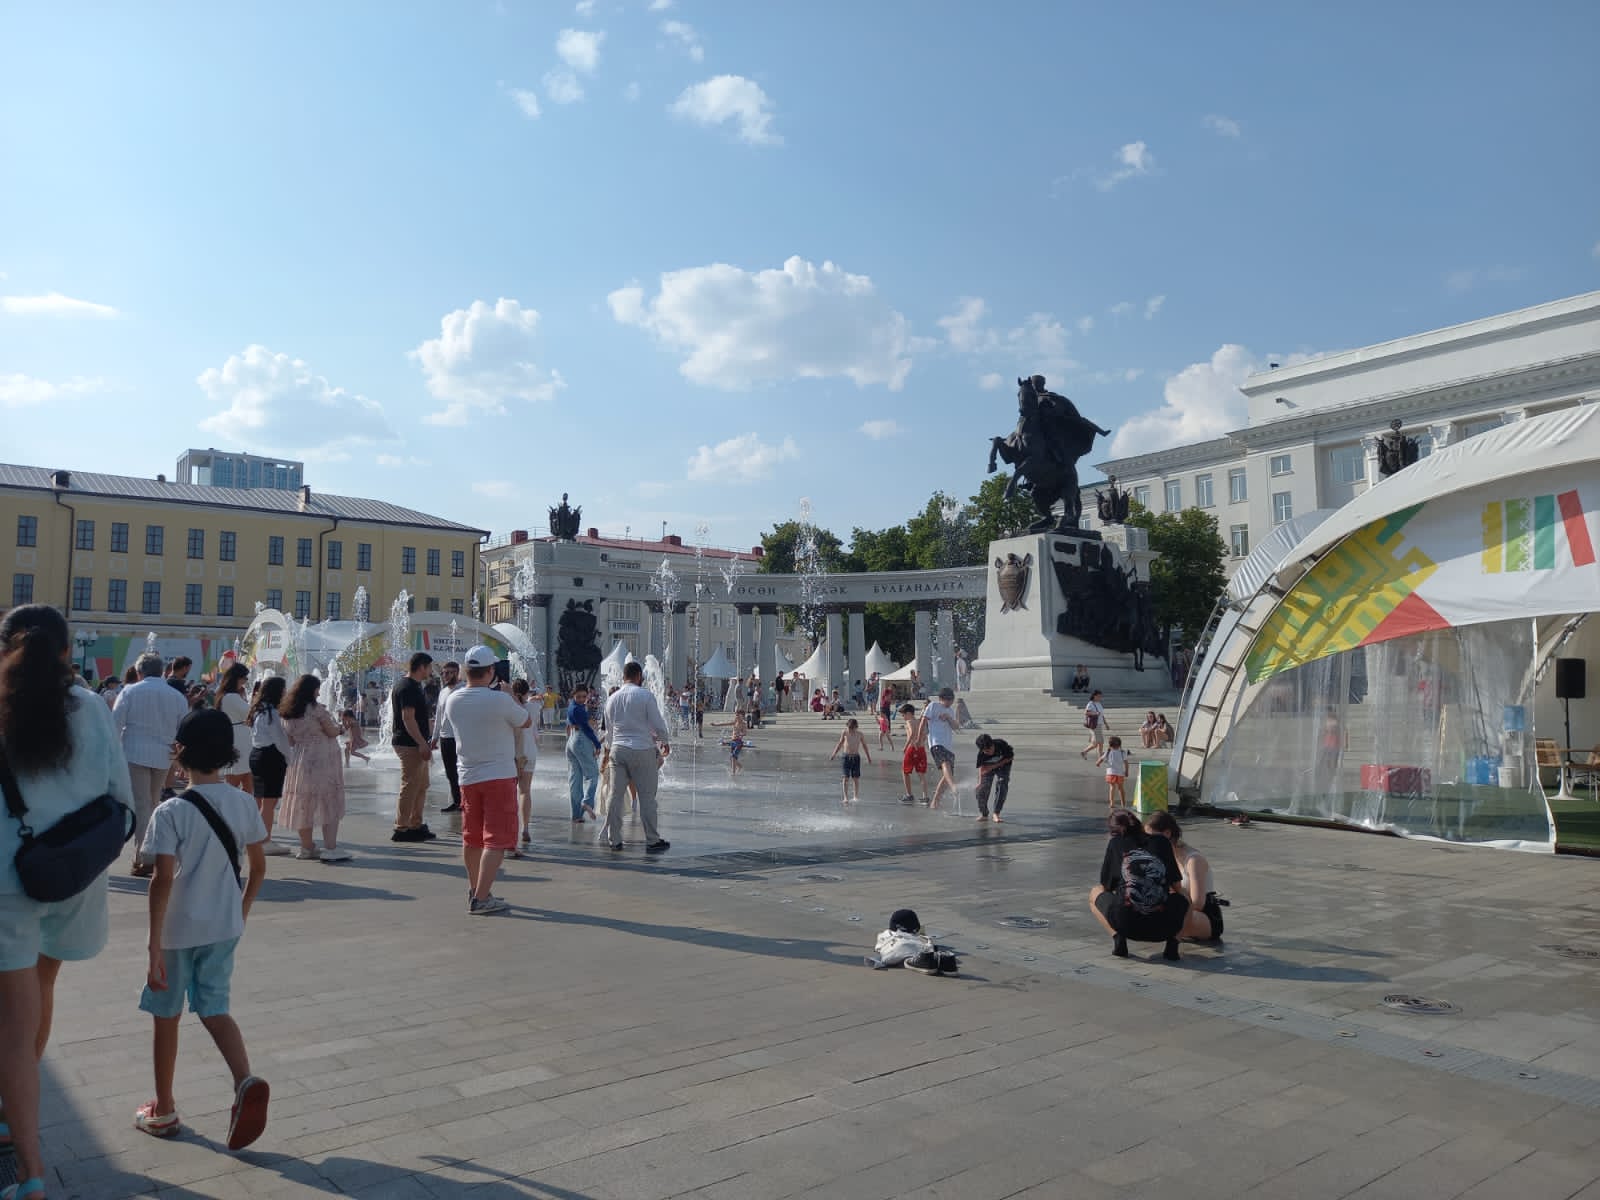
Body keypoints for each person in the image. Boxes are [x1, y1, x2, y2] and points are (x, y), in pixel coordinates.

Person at [0, 606, 134, 1199]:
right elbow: (119, 796)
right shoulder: (91, 708)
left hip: (7, 882)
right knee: (41, 991)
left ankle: (29, 1170)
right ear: (65, 651)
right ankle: (13, 1110)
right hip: (72, 875)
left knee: (11, 1025)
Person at [134, 708, 270, 1150]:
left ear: (180, 751)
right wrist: (241, 911)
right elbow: (258, 867)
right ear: (227, 753)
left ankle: (164, 1108)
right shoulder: (243, 802)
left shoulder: (171, 810)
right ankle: (244, 1080)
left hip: (176, 932)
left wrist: (153, 944)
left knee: (166, 1015)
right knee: (215, 1008)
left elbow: (162, 880)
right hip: (223, 927)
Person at [445, 647, 534, 914]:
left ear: (466, 671)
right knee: (496, 838)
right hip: (498, 776)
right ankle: (482, 899)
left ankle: (476, 889)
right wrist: (510, 695)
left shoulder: (453, 699)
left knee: (472, 838)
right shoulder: (500, 700)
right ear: (491, 671)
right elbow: (526, 721)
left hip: (468, 776)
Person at [113, 652, 190, 878]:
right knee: (153, 802)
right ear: (163, 672)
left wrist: (113, 754)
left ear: (139, 672)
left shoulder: (129, 691)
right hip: (164, 755)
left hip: (134, 752)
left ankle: (144, 856)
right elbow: (183, 727)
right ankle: (153, 852)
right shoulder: (176, 695)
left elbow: (115, 724)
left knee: (141, 805)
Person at [1089, 808, 1189, 960]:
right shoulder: (1162, 842)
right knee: (1185, 896)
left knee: (1095, 892)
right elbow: (1177, 887)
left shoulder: (1115, 843)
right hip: (1163, 926)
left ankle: (1118, 938)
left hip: (1125, 924)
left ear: (1113, 832)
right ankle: (1173, 945)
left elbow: (1106, 887)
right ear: (1138, 823)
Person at [601, 660, 672, 854]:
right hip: (642, 750)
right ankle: (652, 840)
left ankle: (614, 839)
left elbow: (609, 731)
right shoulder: (645, 696)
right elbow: (658, 723)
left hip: (618, 749)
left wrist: (609, 750)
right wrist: (664, 741)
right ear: (639, 676)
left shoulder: (612, 698)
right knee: (647, 797)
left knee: (615, 796)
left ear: (623, 676)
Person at [278, 675, 349, 862]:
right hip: (323, 759)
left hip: (300, 759)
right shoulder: (317, 710)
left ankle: (306, 847)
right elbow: (331, 731)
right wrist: (341, 729)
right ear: (311, 690)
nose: (319, 692)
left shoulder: (287, 712)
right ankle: (330, 848)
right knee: (329, 800)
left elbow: (290, 740)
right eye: (317, 689)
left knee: (303, 803)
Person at [1145, 811, 1226, 942]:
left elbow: (1198, 904)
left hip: (1204, 916)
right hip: (1179, 909)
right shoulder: (1162, 857)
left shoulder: (1193, 860)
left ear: (1167, 833)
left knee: (1163, 917)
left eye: (1151, 838)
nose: (1149, 843)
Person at [390, 652, 436, 843]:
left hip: (416, 743)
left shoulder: (414, 686)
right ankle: (401, 828)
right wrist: (421, 743)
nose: (431, 671)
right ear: (422, 667)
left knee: (421, 785)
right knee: (410, 785)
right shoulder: (407, 687)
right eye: (430, 667)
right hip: (409, 744)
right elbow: (408, 718)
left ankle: (415, 824)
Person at [245, 677, 292, 856]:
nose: (285, 693)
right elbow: (280, 740)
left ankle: (255, 838)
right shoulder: (272, 713)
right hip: (271, 756)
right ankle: (265, 841)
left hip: (256, 754)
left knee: (259, 800)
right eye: (284, 690)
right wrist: (290, 758)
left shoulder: (258, 709)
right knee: (269, 802)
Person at [564, 683, 602, 825]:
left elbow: (569, 725)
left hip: (572, 741)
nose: (581, 699)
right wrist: (597, 744)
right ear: (573, 695)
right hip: (580, 739)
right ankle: (587, 802)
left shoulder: (571, 707)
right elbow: (586, 728)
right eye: (578, 697)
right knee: (593, 775)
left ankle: (576, 815)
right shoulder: (578, 709)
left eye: (584, 696)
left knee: (575, 779)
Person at [431, 661, 464, 813]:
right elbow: (438, 716)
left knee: (463, 771)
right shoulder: (443, 692)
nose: (446, 676)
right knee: (450, 772)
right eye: (444, 673)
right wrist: (434, 737)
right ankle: (457, 802)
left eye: (449, 672)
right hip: (445, 738)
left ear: (457, 673)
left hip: (460, 737)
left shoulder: (464, 689)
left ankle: (466, 802)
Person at [508, 679, 537, 850]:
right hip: (529, 752)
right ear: (527, 692)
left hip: (512, 752)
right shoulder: (533, 707)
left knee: (510, 792)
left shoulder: (510, 708)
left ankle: (511, 828)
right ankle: (525, 828)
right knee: (525, 791)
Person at [923, 687, 960, 808]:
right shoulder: (933, 706)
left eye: (951, 700)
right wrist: (919, 738)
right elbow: (923, 721)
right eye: (946, 700)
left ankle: (935, 801)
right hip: (936, 743)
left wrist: (949, 718)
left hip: (948, 745)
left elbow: (955, 727)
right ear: (940, 699)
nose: (949, 702)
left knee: (947, 774)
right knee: (945, 764)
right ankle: (953, 786)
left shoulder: (951, 711)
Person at [829, 718, 872, 804]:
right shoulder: (845, 732)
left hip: (856, 757)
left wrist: (868, 757)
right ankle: (845, 797)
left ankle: (855, 796)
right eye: (849, 728)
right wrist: (833, 754)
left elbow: (864, 746)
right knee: (845, 777)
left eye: (852, 728)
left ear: (856, 727)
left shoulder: (860, 734)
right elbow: (840, 744)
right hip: (846, 757)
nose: (850, 730)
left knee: (856, 778)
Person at [973, 734, 1014, 823]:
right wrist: (980, 782)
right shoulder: (981, 754)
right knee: (981, 790)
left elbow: (1010, 757)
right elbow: (981, 768)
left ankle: (996, 813)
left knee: (1002, 784)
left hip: (1004, 765)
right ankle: (984, 814)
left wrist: (993, 766)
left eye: (989, 749)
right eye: (985, 751)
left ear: (992, 744)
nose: (988, 752)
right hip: (988, 767)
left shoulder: (1001, 744)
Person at [898, 702, 930, 804]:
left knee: (905, 771)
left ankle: (909, 794)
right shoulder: (919, 722)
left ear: (908, 713)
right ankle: (925, 796)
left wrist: (905, 747)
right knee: (921, 773)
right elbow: (925, 734)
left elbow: (911, 734)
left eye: (903, 715)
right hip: (921, 748)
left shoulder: (909, 721)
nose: (903, 717)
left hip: (912, 748)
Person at [1079, 689, 1108, 762]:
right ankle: (1099, 757)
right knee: (1099, 742)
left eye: (1100, 696)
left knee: (1097, 743)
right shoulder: (1090, 703)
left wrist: (1106, 723)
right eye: (1098, 696)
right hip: (1094, 725)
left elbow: (1101, 715)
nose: (1100, 697)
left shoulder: (1099, 703)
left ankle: (1085, 752)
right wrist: (1095, 713)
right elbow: (1086, 713)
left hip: (1099, 724)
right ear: (1094, 696)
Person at [1104, 736, 1128, 808]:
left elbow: (1101, 759)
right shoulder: (1122, 752)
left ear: (1110, 745)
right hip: (1120, 773)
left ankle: (1112, 803)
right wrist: (1126, 771)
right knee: (1121, 788)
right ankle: (1123, 803)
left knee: (1112, 787)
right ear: (1120, 744)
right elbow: (1126, 763)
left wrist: (1098, 763)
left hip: (1110, 773)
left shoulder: (1108, 752)